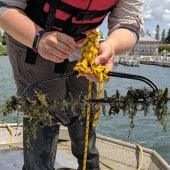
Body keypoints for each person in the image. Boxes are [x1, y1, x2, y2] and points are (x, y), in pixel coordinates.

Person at [0, 0, 144, 170]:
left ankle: (90, 165)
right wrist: (39, 38)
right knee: (44, 107)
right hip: (31, 35)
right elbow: (6, 6)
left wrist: (112, 45)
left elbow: (129, 23)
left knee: (84, 105)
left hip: (83, 43)